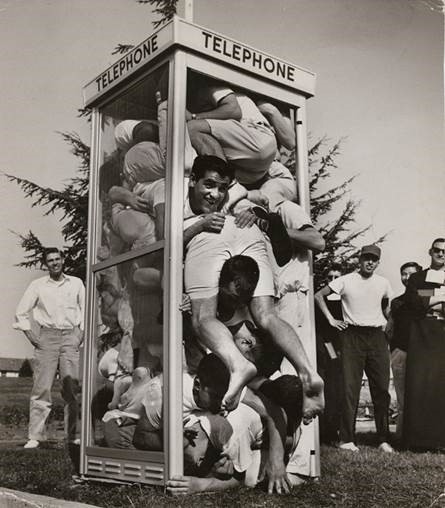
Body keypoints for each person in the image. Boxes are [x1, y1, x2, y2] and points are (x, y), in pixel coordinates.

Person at [182, 155, 324, 421]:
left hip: (215, 234)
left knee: (203, 317)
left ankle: (238, 365)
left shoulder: (178, 198)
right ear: (193, 180)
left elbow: (163, 244)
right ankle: (307, 371)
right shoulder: (182, 195)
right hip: (244, 235)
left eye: (222, 188)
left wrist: (252, 214)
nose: (215, 194)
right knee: (267, 316)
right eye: (209, 185)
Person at [314, 245, 394, 453]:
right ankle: (347, 439)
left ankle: (383, 438)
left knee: (382, 389)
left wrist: (387, 322)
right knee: (350, 389)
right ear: (360, 259)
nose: (370, 262)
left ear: (378, 262)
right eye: (366, 258)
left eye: (374, 259)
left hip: (376, 336)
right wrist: (331, 319)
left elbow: (387, 306)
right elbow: (318, 295)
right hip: (352, 336)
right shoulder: (346, 280)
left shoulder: (383, 283)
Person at [13, 248, 85, 449]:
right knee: (41, 388)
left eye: (57, 259)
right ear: (46, 264)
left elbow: (86, 311)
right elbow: (21, 312)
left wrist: (80, 334)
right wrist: (33, 337)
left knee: (72, 389)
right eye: (50, 261)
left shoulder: (77, 283)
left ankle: (73, 436)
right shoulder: (38, 285)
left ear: (63, 260)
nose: (54, 263)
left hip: (70, 336)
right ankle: (36, 436)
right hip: (47, 337)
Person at [186, 81, 277, 187]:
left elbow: (234, 111)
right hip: (252, 169)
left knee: (191, 127)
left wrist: (194, 116)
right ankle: (231, 190)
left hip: (258, 137)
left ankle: (222, 185)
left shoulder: (211, 87)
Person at [403, 238, 445, 450]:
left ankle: (440, 441)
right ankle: (418, 441)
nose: (441, 255)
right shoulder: (418, 277)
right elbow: (412, 300)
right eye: (437, 251)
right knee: (420, 385)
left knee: (441, 386)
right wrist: (439, 296)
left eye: (444, 252)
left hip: (442, 334)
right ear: (430, 251)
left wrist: (428, 296)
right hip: (421, 334)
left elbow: (422, 296)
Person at [385, 261, 422, 441]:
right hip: (401, 352)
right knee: (402, 399)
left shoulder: (426, 295)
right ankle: (402, 437)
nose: (407, 278)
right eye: (404, 274)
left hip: (423, 353)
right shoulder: (396, 302)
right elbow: (389, 329)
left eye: (411, 274)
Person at [314, 264, 344, 444]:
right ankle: (324, 431)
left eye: (337, 278)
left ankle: (335, 430)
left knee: (337, 389)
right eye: (330, 278)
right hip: (325, 347)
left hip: (342, 348)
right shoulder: (319, 300)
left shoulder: (345, 297)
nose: (333, 281)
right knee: (326, 388)